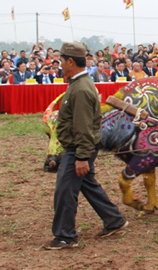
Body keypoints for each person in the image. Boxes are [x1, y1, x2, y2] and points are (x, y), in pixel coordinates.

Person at [44, 42, 127, 249]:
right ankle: (113, 219)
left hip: (78, 149)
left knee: (65, 191)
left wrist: (81, 157)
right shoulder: (78, 84)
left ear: (70, 62)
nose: (60, 64)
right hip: (78, 148)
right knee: (87, 184)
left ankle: (65, 236)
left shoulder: (80, 89)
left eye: (61, 61)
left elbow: (83, 127)